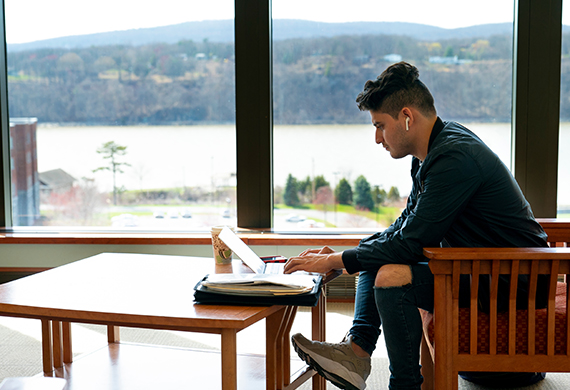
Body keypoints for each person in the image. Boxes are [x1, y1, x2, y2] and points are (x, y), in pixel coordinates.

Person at [283, 61, 548, 390]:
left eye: (380, 125)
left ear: (407, 117)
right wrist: (345, 255)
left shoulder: (454, 157)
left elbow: (409, 243)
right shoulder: (431, 154)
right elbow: (404, 228)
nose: (377, 138)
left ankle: (402, 384)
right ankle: (356, 352)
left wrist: (338, 261)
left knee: (392, 274)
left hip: (512, 279)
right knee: (375, 248)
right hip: (478, 267)